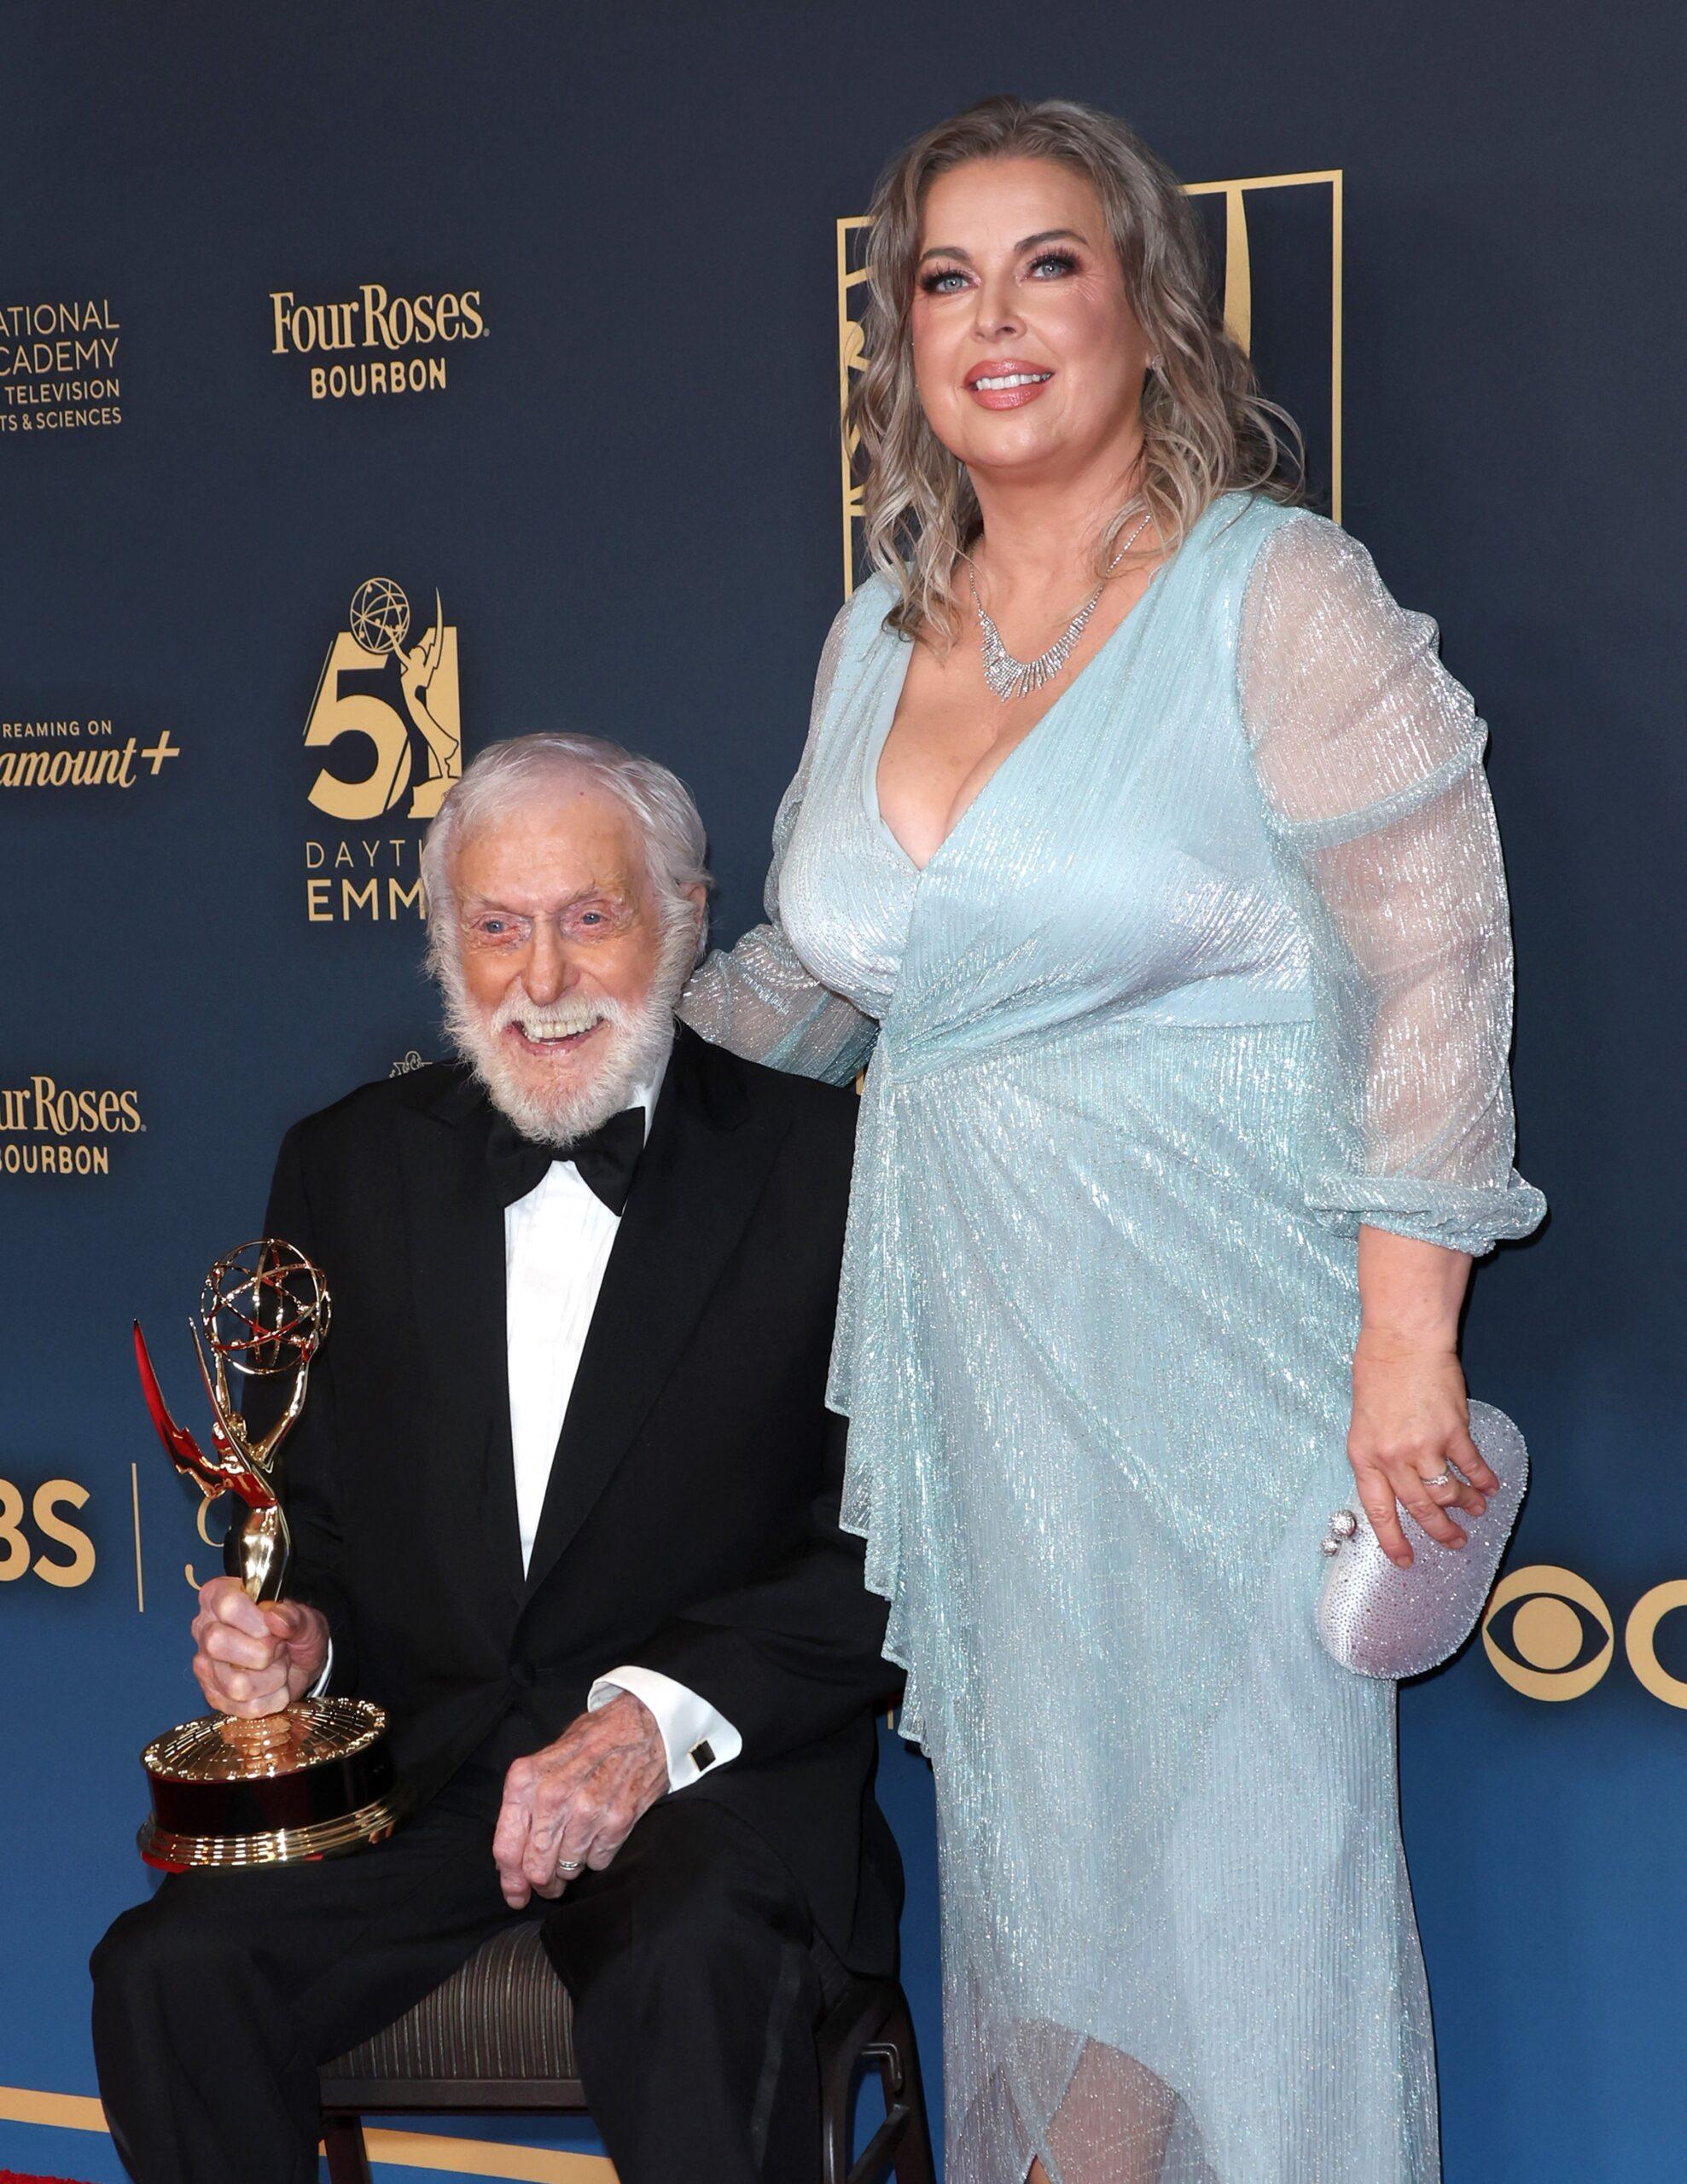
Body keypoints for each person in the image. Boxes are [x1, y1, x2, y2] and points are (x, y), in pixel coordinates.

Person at [682, 95, 1545, 2184]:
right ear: (898, 340)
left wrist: (1402, 1338)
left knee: (1243, 1894)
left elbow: (1432, 961)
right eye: (944, 279)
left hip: (1239, 1346)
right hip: (976, 1352)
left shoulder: (1275, 588)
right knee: (1052, 1882)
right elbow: (824, 966)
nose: (995, 320)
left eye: (1047, 263)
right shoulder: (872, 633)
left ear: (1145, 310)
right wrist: (582, 1076)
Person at [91, 733, 903, 2184]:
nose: (539, 981)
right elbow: (310, 1516)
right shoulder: (344, 1166)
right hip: (426, 1778)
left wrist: (654, 1718)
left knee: (693, 1968)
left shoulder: (831, 1170)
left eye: (588, 918)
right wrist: (298, 1641)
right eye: (495, 927)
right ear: (442, 946)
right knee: (169, 1972)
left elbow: (894, 1544)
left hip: (703, 1780)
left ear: (683, 917)